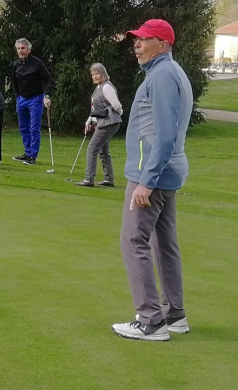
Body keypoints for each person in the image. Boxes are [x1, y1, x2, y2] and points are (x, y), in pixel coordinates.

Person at [111, 19, 193, 341]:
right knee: (164, 243)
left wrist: (147, 181)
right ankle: (174, 315)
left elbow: (165, 134)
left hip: (151, 174)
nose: (137, 44)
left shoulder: (161, 76)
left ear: (164, 44)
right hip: (165, 172)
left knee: (133, 241)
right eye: (137, 39)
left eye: (146, 39)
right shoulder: (169, 72)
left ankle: (151, 321)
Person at [75, 63, 123, 187]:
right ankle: (109, 180)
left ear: (103, 73)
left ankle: (88, 180)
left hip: (109, 123)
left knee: (92, 148)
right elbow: (96, 109)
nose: (95, 76)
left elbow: (117, 105)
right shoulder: (99, 87)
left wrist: (117, 114)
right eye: (93, 74)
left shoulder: (106, 87)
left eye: (97, 73)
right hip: (104, 122)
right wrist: (89, 121)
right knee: (103, 150)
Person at [10, 38, 53, 165]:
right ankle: (27, 152)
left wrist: (47, 96)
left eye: (23, 48)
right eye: (18, 48)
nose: (20, 51)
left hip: (36, 98)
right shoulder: (16, 64)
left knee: (34, 128)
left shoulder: (37, 63)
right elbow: (14, 82)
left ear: (28, 49)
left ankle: (33, 156)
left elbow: (49, 79)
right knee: (23, 127)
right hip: (22, 99)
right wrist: (18, 97)